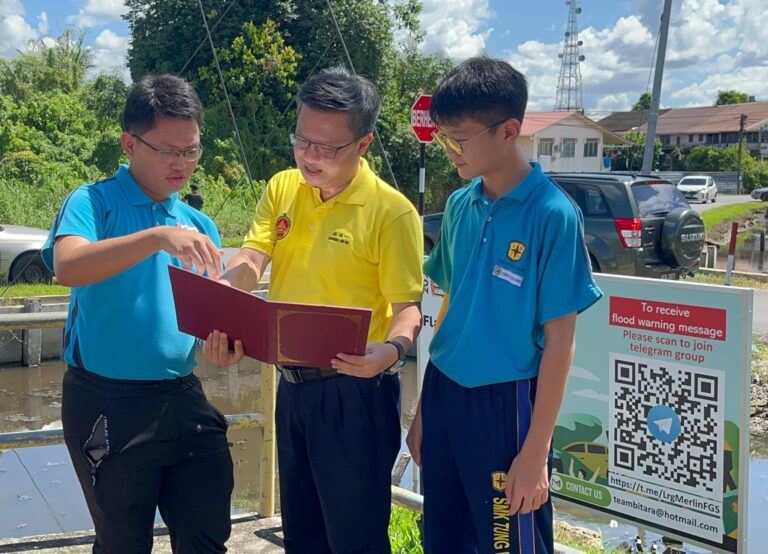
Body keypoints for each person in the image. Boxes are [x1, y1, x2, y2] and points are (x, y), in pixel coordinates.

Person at [203, 67, 423, 554]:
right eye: (302, 140)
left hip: (356, 391)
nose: (309, 156)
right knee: (302, 534)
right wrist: (222, 299)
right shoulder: (283, 187)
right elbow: (252, 258)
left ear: (363, 144)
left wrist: (391, 352)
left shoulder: (391, 212)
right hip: (293, 387)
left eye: (326, 147)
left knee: (355, 539)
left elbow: (408, 308)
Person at [406, 57, 603, 554]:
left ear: (509, 130)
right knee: (442, 538)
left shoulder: (553, 214)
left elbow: (560, 341)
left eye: (459, 139)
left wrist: (536, 453)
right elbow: (448, 310)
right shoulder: (460, 205)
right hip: (445, 392)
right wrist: (424, 409)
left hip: (507, 404)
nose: (449, 150)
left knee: (507, 540)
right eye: (443, 137)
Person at [42, 74, 233, 554]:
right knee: (122, 543)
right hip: (106, 401)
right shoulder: (93, 201)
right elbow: (68, 266)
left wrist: (223, 346)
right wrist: (156, 238)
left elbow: (208, 317)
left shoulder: (199, 225)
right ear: (130, 143)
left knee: (207, 535)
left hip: (182, 395)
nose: (182, 163)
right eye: (168, 150)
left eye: (192, 150)